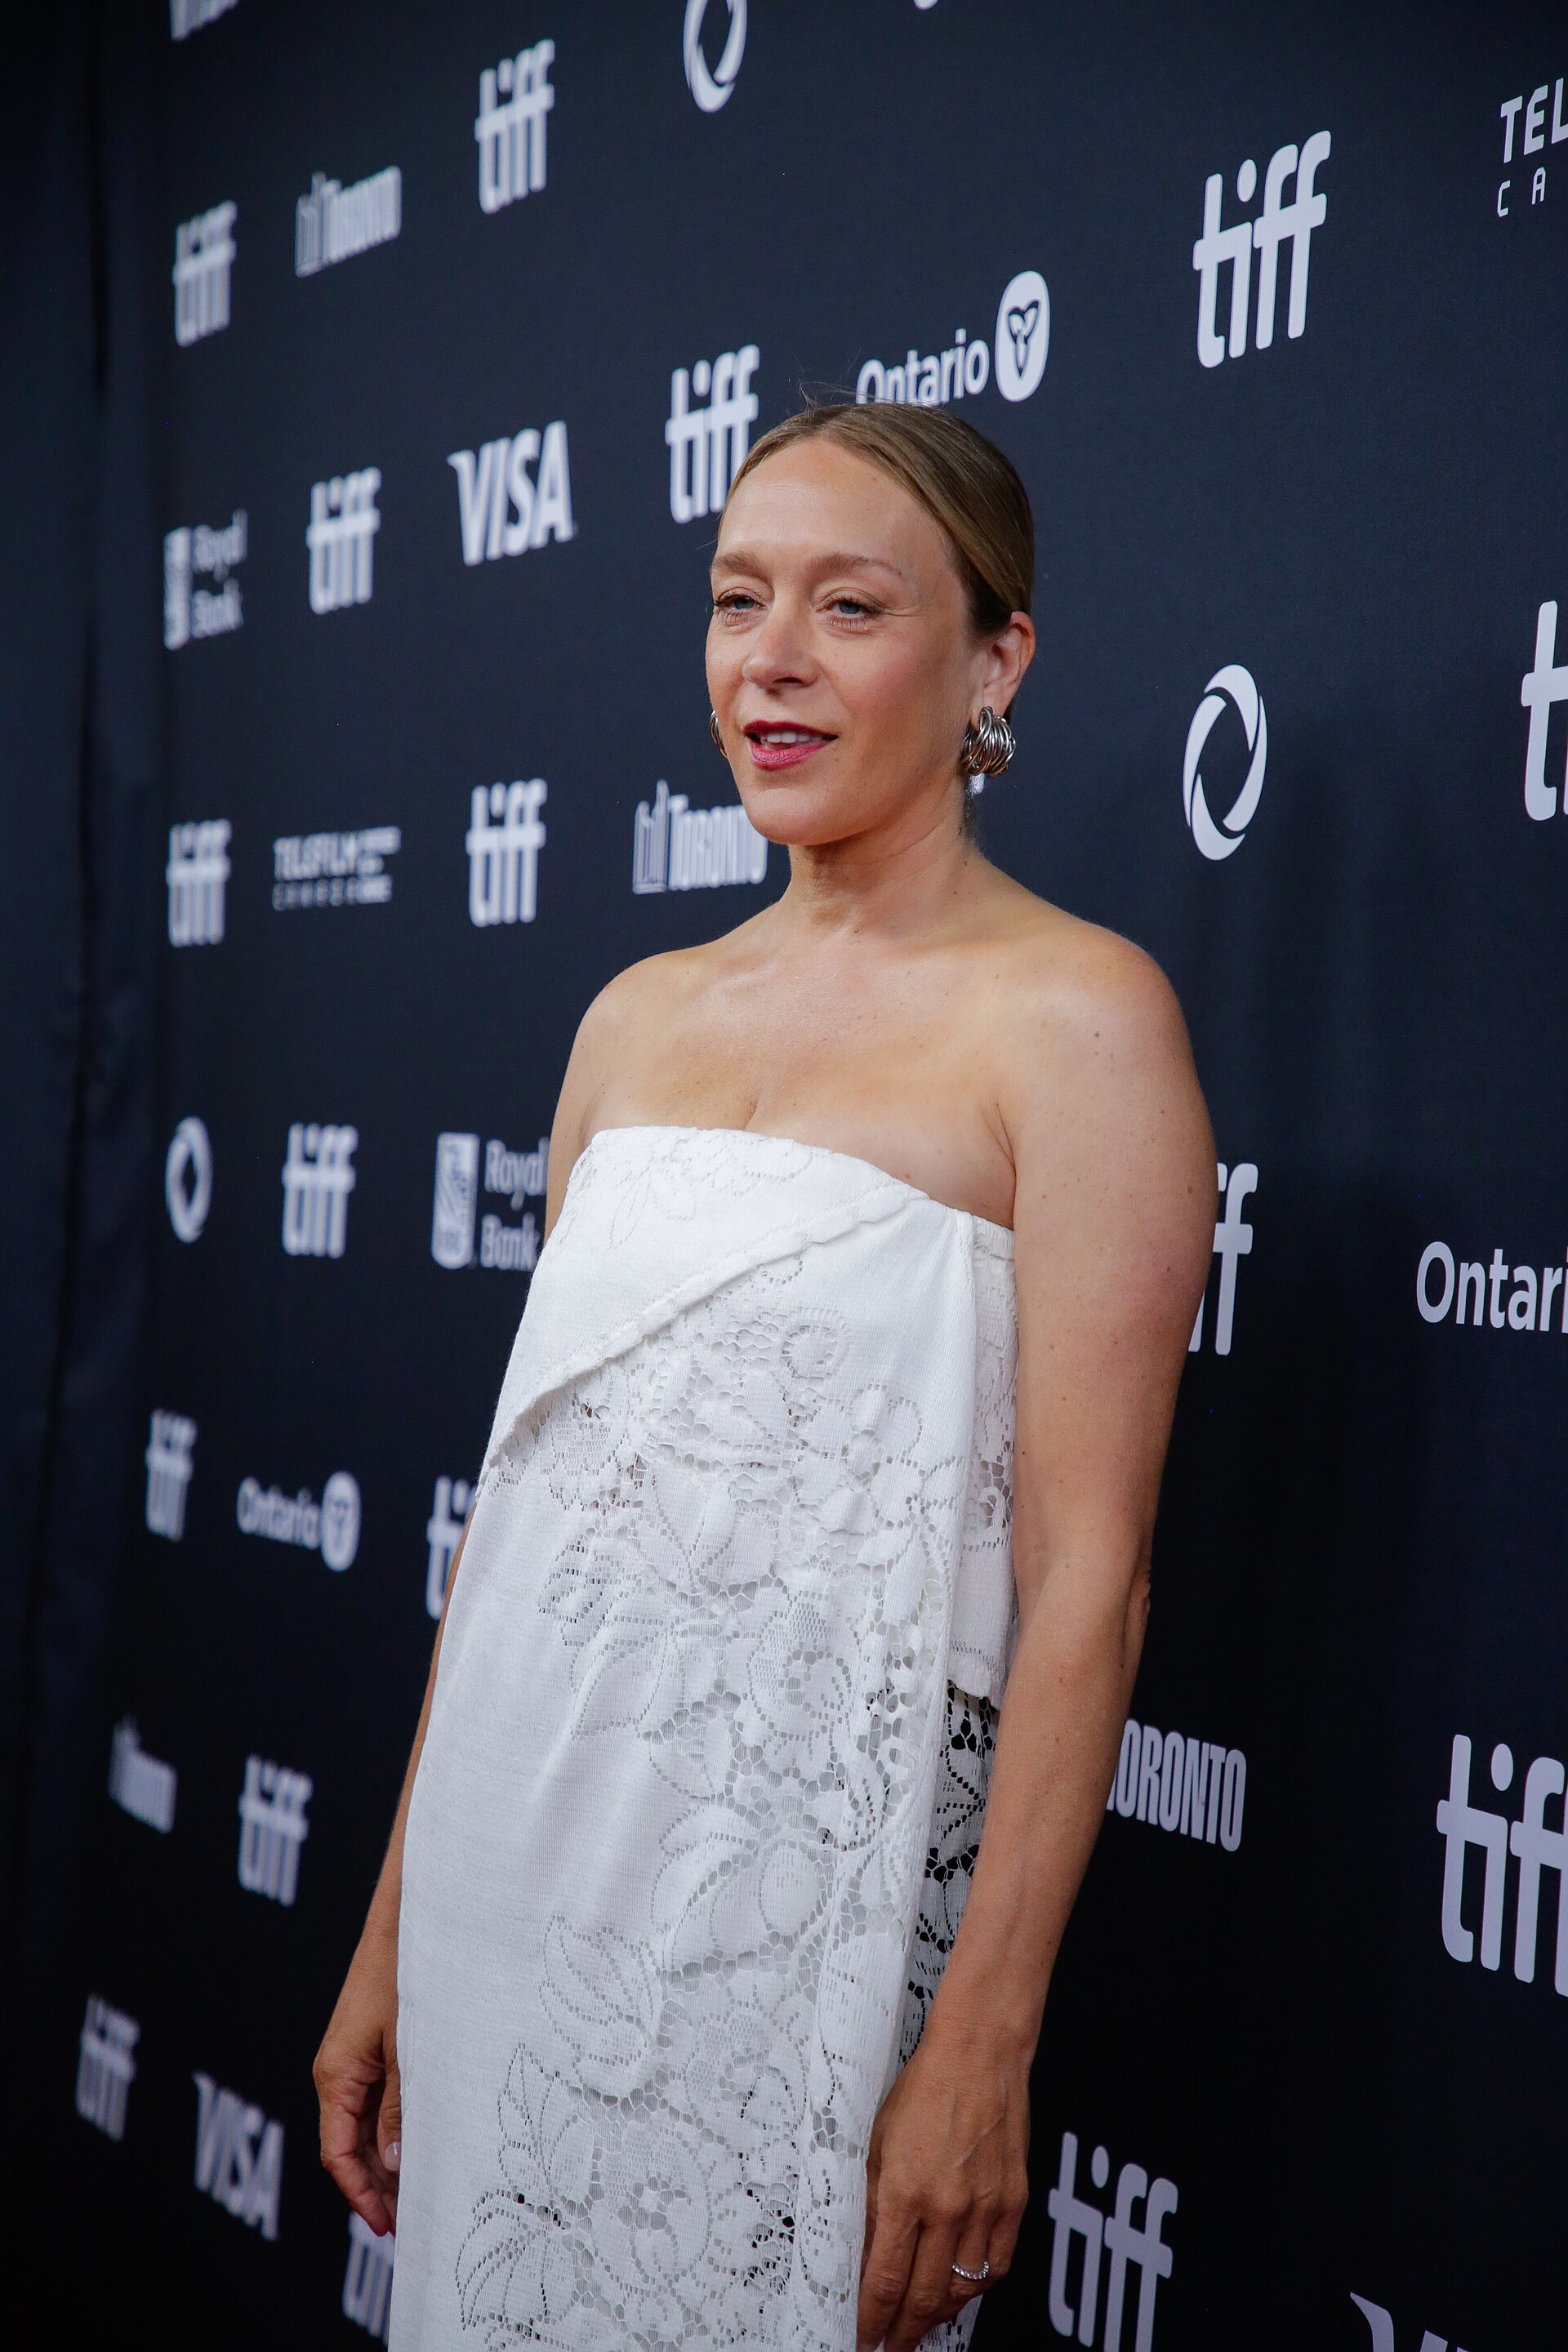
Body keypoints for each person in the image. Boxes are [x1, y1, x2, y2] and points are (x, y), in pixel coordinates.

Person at [314, 401, 1214, 2352]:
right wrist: (391, 1933)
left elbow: (1091, 1580)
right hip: (504, 1881)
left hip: (802, 1927)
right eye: (737, 601)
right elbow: (527, 1531)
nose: (773, 659)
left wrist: (984, 2038)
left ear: (995, 662)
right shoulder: (632, 1022)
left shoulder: (1078, 1023)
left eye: (849, 607)